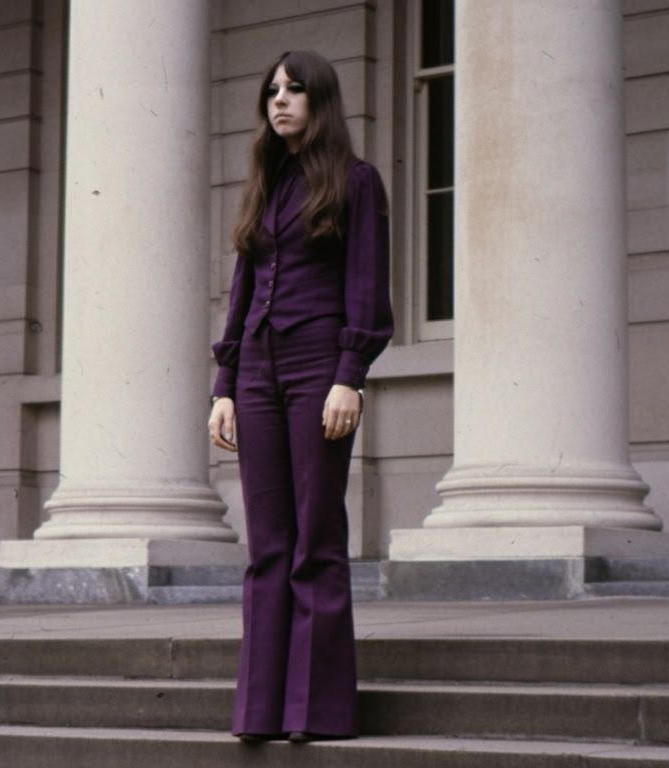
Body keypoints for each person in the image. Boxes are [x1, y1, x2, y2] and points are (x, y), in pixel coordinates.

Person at [207, 50, 393, 744]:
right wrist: (224, 385)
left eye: (294, 90)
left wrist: (350, 372)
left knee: (317, 536)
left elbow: (368, 289)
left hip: (319, 366)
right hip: (256, 370)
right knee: (268, 545)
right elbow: (243, 292)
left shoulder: (356, 183)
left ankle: (315, 713)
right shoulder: (265, 185)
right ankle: (258, 711)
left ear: (321, 101)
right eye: (272, 91)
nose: (279, 100)